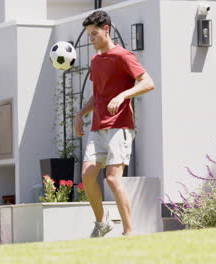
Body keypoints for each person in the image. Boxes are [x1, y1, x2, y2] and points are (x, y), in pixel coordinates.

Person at [74, 10, 155, 237]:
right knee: (88, 175)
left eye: (94, 34)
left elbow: (148, 83)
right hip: (98, 127)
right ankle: (102, 222)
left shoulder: (123, 56)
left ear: (106, 30)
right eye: (88, 35)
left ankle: (129, 232)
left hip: (120, 125)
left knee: (111, 178)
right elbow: (97, 94)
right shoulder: (95, 60)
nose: (90, 39)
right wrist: (81, 113)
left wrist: (123, 95)